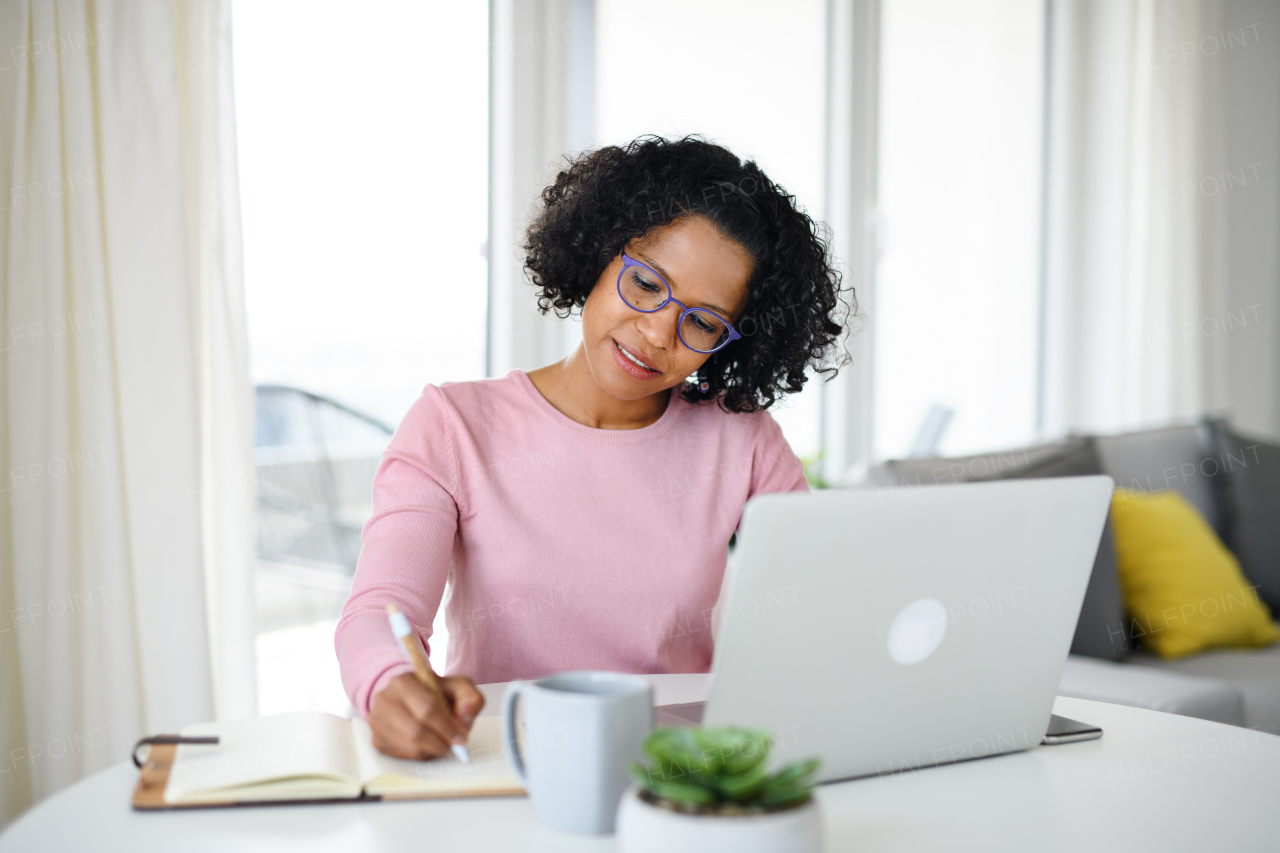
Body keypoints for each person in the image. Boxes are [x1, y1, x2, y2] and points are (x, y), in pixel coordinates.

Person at [335, 136, 850, 760]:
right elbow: (380, 615)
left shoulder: (742, 441)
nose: (659, 332)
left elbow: (821, 606)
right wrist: (388, 684)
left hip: (683, 775)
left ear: (731, 341)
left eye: (704, 322)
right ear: (601, 256)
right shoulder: (453, 426)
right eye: (645, 283)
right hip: (508, 764)